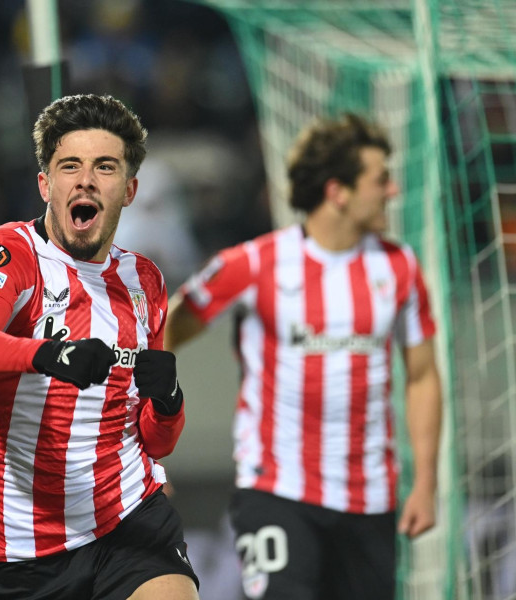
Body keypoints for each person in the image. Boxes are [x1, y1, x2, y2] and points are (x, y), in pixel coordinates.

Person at [0, 94, 200, 600]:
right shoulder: (11, 254)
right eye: (69, 165)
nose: (86, 180)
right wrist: (45, 355)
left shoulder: (144, 282)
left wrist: (168, 403)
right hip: (22, 535)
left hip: (127, 516)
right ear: (45, 184)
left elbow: (156, 441)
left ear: (129, 189)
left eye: (105, 167)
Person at [165, 113, 442, 600]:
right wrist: (150, 435)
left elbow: (422, 376)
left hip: (371, 498)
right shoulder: (254, 264)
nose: (393, 191)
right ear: (338, 191)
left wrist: (426, 484)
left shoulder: (399, 268)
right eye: (380, 180)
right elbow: (165, 328)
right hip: (277, 488)